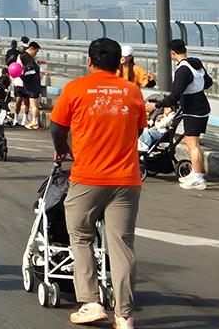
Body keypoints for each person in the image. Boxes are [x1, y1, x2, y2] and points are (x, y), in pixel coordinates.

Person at [49, 37, 145, 328]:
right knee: (122, 245)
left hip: (86, 178)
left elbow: (57, 126)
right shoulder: (132, 92)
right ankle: (125, 315)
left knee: (80, 237)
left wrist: (64, 148)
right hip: (126, 180)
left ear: (89, 61)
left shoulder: (75, 89)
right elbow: (138, 130)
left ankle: (91, 303)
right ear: (120, 64)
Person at [156, 39, 212, 191]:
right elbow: (208, 83)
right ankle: (195, 173)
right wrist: (195, 86)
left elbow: (174, 95)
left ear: (172, 53)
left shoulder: (182, 70)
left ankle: (199, 178)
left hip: (193, 109)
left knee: (193, 144)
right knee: (191, 142)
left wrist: (157, 105)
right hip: (202, 105)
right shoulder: (196, 63)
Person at [18, 41, 43, 129]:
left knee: (33, 105)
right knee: (33, 105)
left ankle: (34, 122)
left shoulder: (27, 57)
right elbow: (31, 70)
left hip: (32, 85)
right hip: (33, 84)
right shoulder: (26, 57)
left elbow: (29, 71)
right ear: (31, 49)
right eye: (35, 51)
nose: (36, 53)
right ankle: (34, 121)